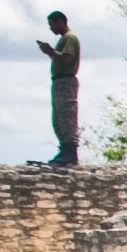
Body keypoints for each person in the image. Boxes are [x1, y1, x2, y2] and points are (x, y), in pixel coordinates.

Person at [37, 11, 82, 166]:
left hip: (66, 82)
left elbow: (67, 59)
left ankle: (70, 152)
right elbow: (60, 60)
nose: (51, 29)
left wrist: (52, 51)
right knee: (58, 118)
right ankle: (64, 150)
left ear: (61, 22)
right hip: (59, 81)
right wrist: (50, 53)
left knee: (67, 116)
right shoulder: (64, 39)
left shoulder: (70, 38)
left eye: (53, 25)